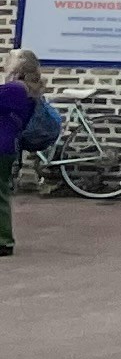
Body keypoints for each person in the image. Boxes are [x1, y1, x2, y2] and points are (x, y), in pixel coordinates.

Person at [0, 48, 44, 255]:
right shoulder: (28, 90)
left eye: (11, 58)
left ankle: (4, 240)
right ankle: (4, 240)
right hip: (7, 146)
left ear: (19, 66)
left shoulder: (14, 89)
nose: (6, 61)